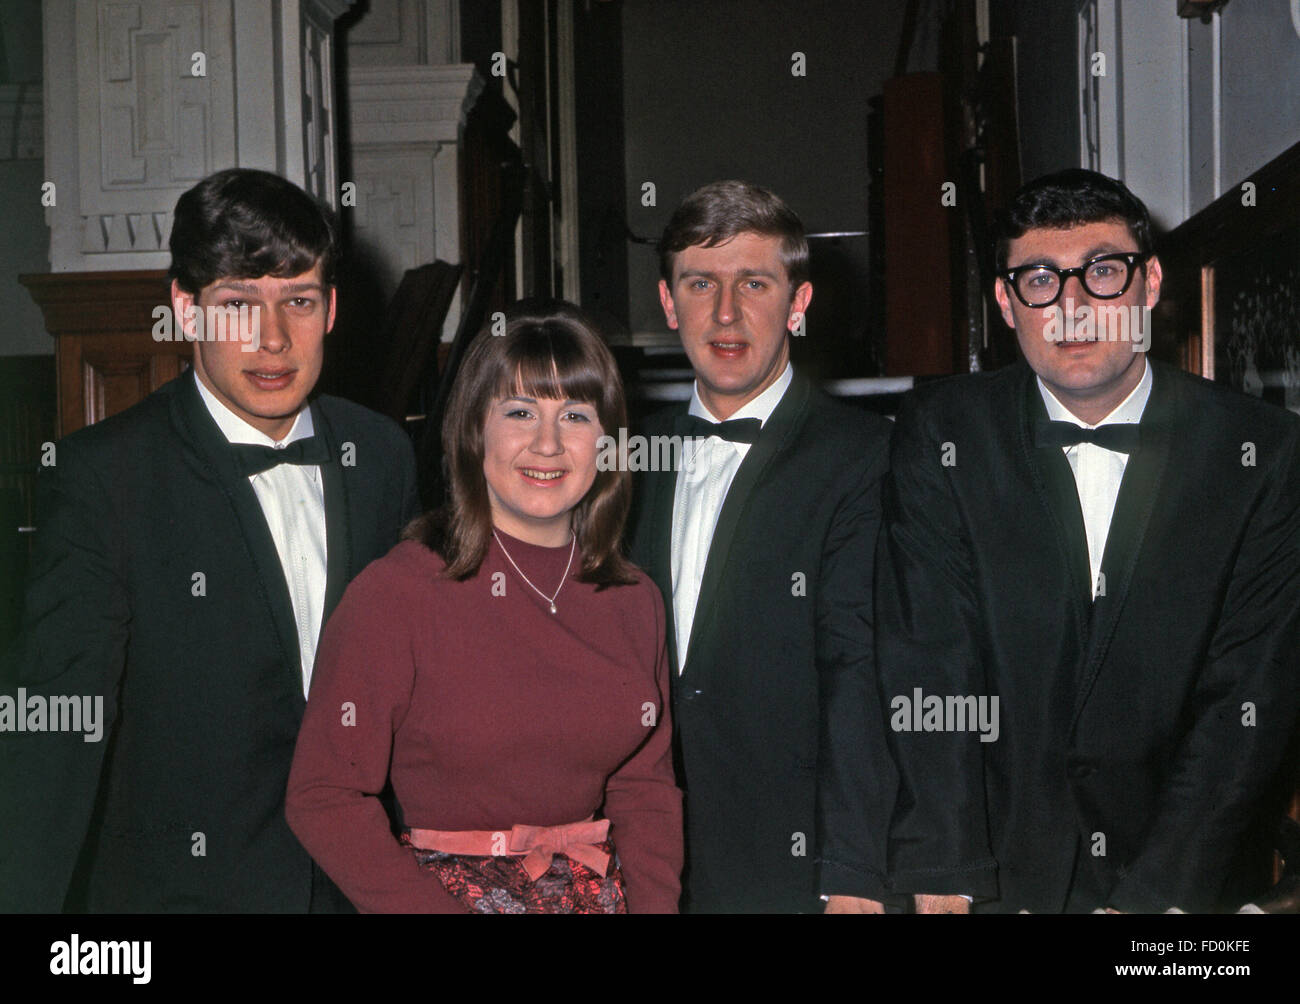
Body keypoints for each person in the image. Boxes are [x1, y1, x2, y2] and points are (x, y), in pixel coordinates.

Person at [876, 168, 1300, 913]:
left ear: (1149, 284)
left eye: (1103, 272)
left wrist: (1157, 897)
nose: (1073, 308)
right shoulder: (941, 431)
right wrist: (943, 864)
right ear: (1007, 303)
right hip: (994, 874)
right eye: (1040, 279)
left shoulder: (1262, 451)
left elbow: (1248, 696)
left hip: (1181, 881)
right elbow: (932, 657)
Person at [0, 167, 419, 912]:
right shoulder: (106, 480)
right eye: (237, 305)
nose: (272, 338)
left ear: (330, 311)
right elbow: (53, 740)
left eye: (298, 300)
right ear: (185, 310)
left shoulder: (381, 455)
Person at [285, 300, 682, 913]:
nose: (547, 444)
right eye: (520, 412)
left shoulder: (636, 602)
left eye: (574, 415)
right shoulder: (397, 595)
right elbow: (323, 795)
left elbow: (644, 792)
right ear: (475, 429)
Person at [627, 180, 895, 912]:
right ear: (668, 302)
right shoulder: (620, 460)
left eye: (754, 283)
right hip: (637, 863)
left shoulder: (867, 456)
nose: (725, 313)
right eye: (700, 283)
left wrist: (852, 875)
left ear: (798, 304)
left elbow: (860, 675)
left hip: (793, 865)